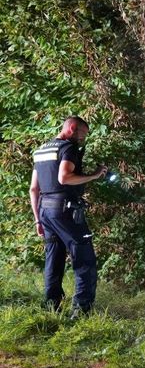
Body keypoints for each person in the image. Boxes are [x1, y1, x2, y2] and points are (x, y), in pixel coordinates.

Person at [29, 117, 107, 318]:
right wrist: (94, 175)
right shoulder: (67, 148)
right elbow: (64, 177)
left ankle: (51, 307)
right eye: (83, 133)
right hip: (66, 211)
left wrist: (38, 219)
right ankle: (81, 311)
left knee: (53, 260)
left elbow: (33, 188)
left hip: (45, 211)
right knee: (84, 258)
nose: (83, 138)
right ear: (72, 128)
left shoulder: (41, 151)